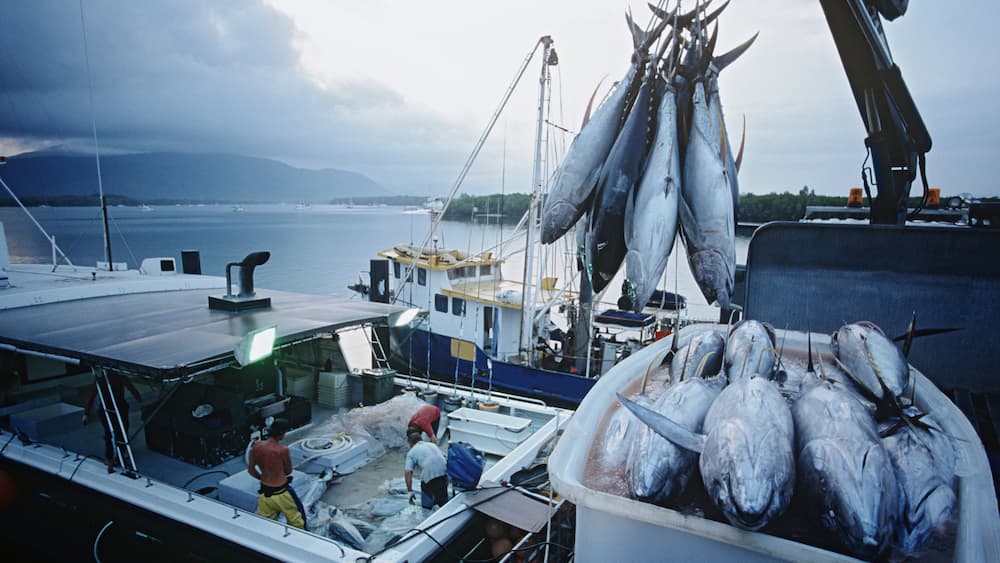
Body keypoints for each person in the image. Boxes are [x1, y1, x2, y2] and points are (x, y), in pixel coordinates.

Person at [247, 418, 306, 529]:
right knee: (298, 521)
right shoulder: (282, 450)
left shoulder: (256, 446)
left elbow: (251, 470)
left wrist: (262, 478)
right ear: (281, 433)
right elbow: (288, 471)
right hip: (282, 493)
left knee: (266, 522)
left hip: (264, 492)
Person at [82, 371, 142, 472]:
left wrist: (86, 414)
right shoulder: (105, 380)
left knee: (116, 432)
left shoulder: (105, 379)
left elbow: (91, 397)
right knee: (116, 432)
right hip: (111, 408)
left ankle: (116, 456)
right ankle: (113, 457)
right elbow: (132, 389)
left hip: (116, 408)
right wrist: (86, 413)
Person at [404, 430, 449, 509]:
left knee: (426, 505)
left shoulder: (411, 452)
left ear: (410, 443)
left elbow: (408, 472)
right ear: (421, 439)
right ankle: (444, 507)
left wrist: (410, 491)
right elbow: (445, 458)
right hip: (444, 475)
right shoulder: (432, 445)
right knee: (443, 501)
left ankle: (427, 508)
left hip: (429, 479)